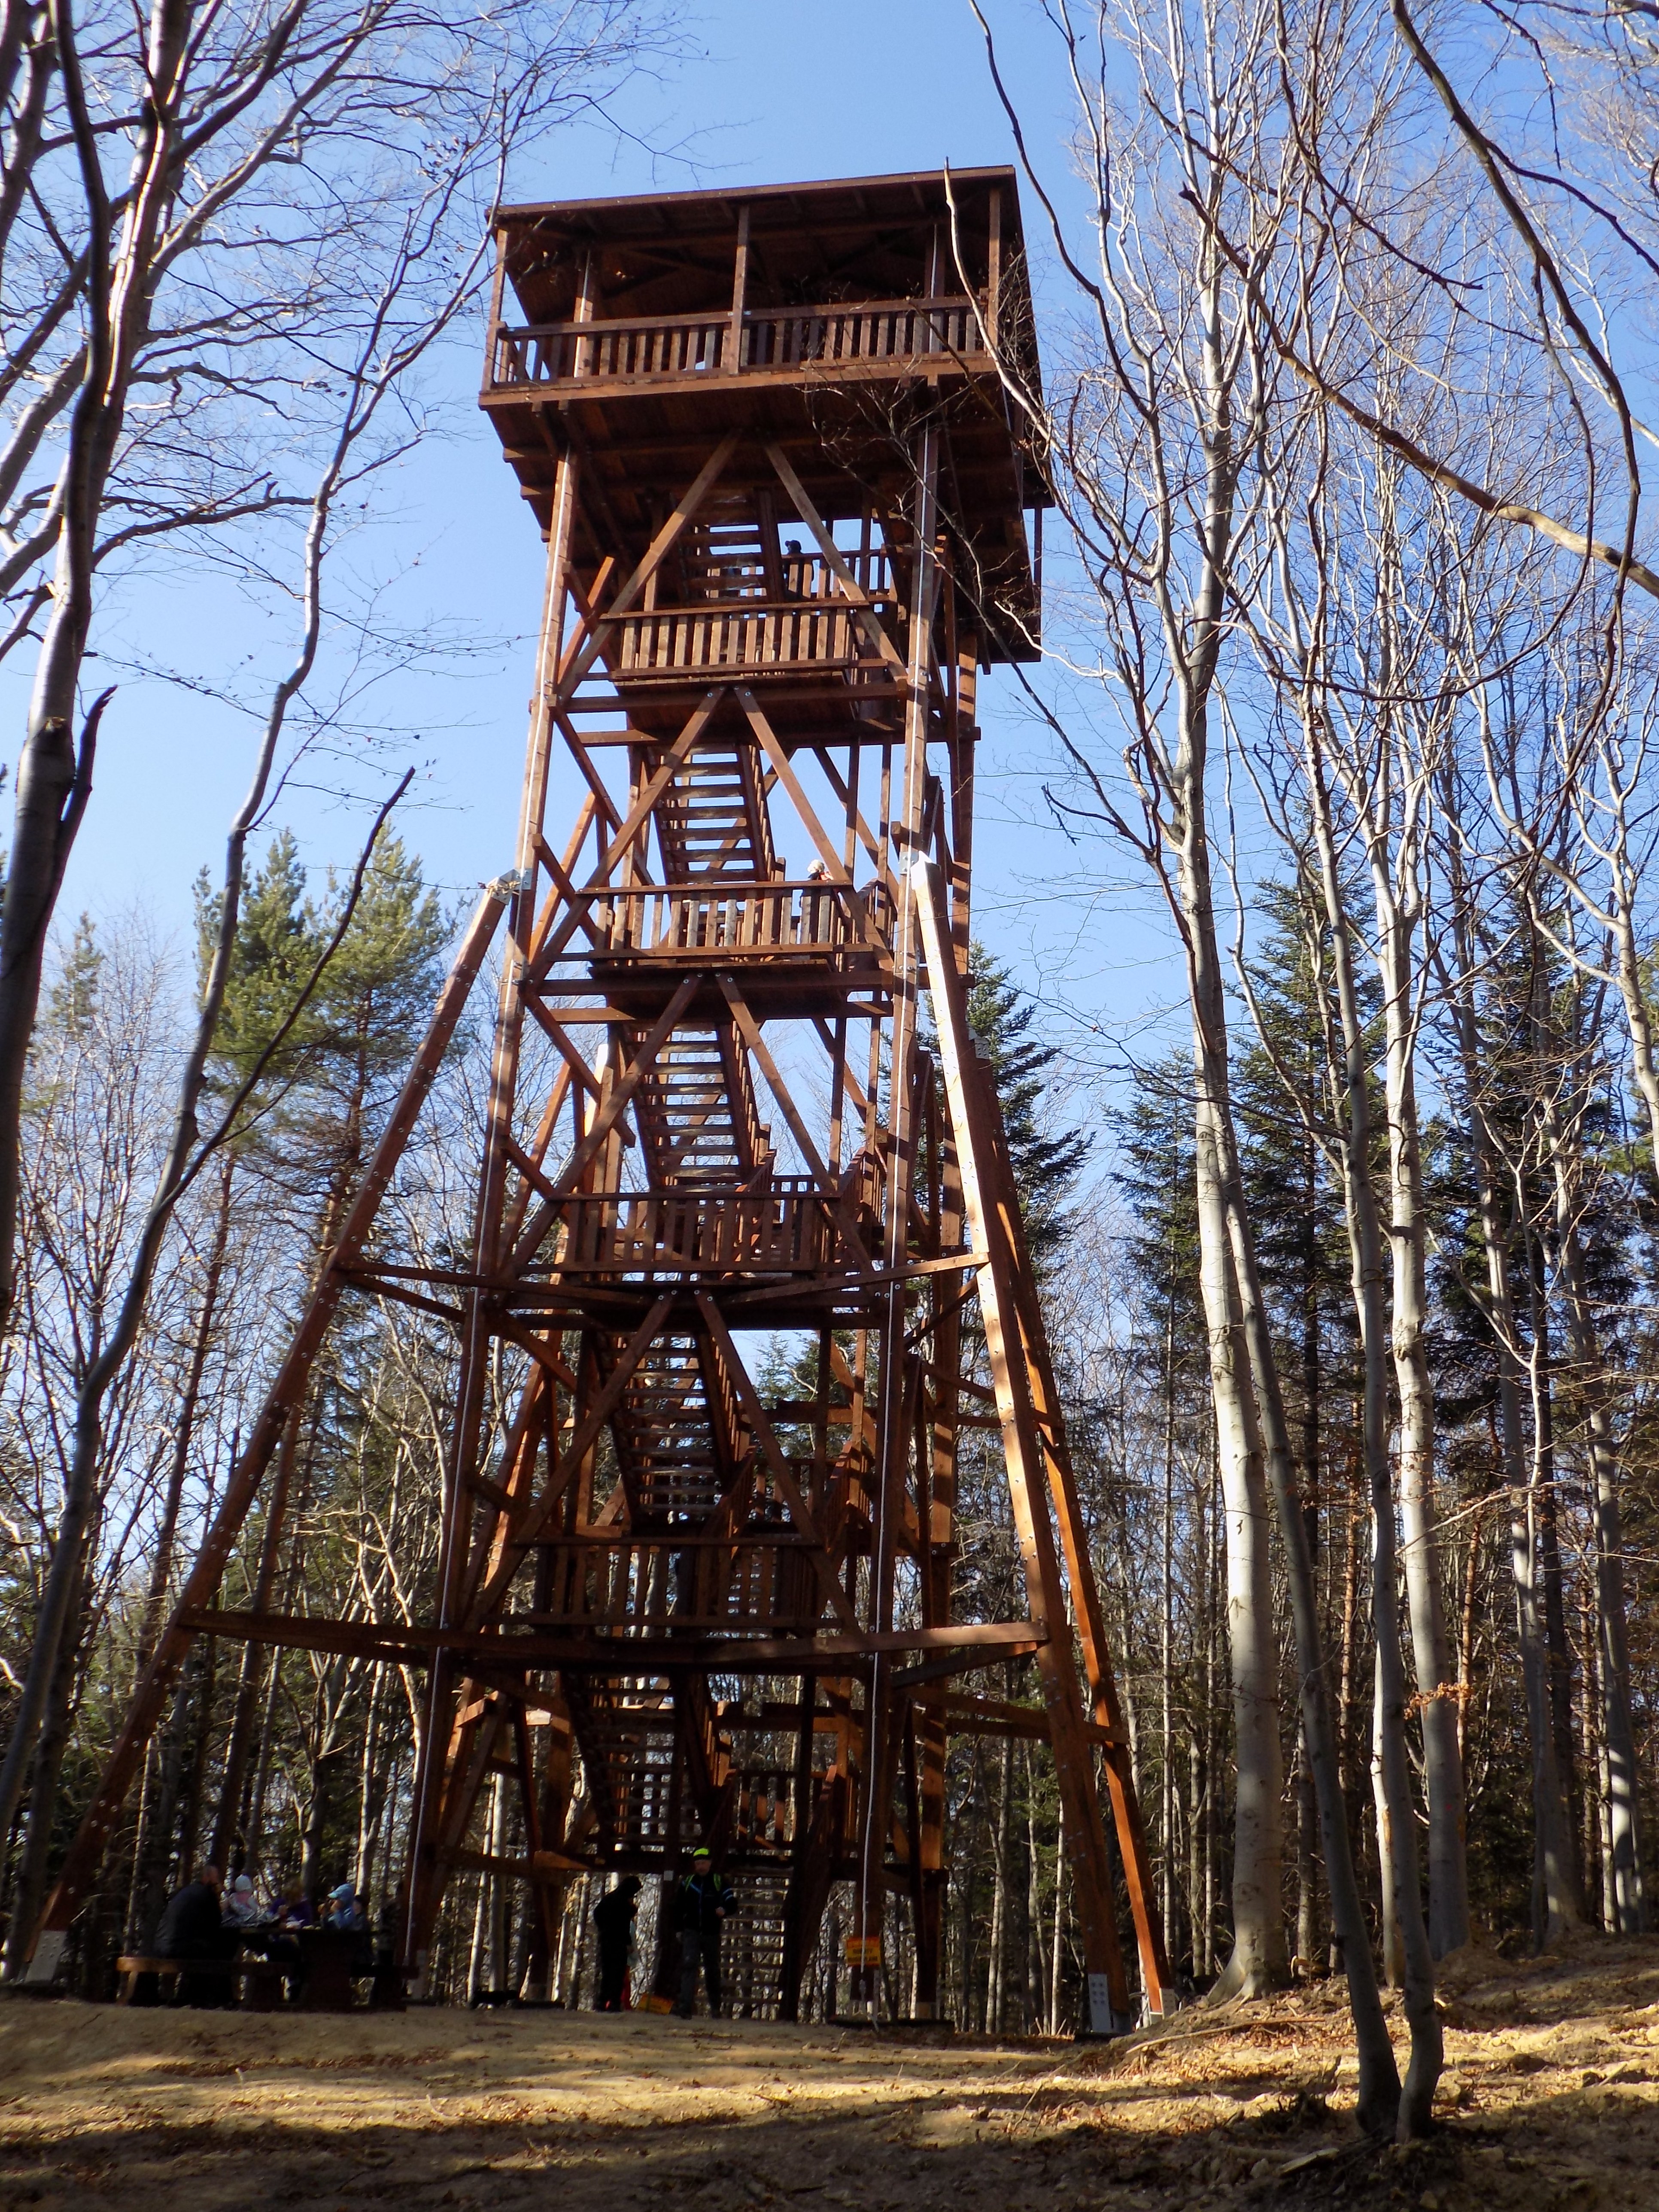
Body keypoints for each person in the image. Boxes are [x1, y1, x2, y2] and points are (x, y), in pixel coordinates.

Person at [152, 1862, 237, 2006]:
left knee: (205, 1948)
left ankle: (193, 1995)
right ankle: (219, 1998)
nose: (218, 1883)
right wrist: (223, 1904)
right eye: (216, 1879)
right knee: (223, 1950)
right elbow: (216, 1923)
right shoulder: (206, 1894)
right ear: (208, 1878)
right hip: (181, 1947)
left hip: (161, 1945)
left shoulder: (186, 1892)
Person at [675, 1849, 736, 2019]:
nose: (701, 1866)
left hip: (711, 1933)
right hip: (691, 1932)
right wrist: (679, 1929)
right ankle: (685, 2008)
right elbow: (677, 1907)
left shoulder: (719, 1882)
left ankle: (716, 2008)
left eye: (703, 1863)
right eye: (698, 1863)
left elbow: (732, 1903)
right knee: (689, 1967)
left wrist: (725, 1909)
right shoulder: (688, 1882)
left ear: (710, 1863)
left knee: (713, 1970)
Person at [593, 1875, 640, 2011]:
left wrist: (603, 1929)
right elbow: (624, 1925)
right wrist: (628, 1943)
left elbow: (597, 1913)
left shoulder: (609, 1898)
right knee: (618, 1974)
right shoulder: (624, 1903)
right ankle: (614, 2003)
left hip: (606, 1940)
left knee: (607, 1973)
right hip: (619, 1943)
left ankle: (602, 2002)